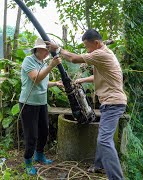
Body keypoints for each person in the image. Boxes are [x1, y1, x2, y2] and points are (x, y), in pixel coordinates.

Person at [45, 29, 127, 180]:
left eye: (87, 46)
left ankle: (116, 177)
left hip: (113, 102)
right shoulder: (104, 54)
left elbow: (74, 59)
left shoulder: (101, 54)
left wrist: (58, 49)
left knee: (104, 139)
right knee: (103, 136)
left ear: (96, 43)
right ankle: (99, 165)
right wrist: (81, 80)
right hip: (110, 102)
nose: (86, 50)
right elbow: (98, 75)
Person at [19, 38, 63, 175]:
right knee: (31, 135)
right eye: (46, 50)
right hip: (28, 104)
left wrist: (55, 83)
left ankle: (39, 154)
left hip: (42, 103)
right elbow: (36, 79)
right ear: (37, 49)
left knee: (44, 131)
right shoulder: (28, 60)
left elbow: (43, 82)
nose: (47, 53)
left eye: (48, 50)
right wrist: (51, 66)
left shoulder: (43, 62)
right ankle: (28, 161)